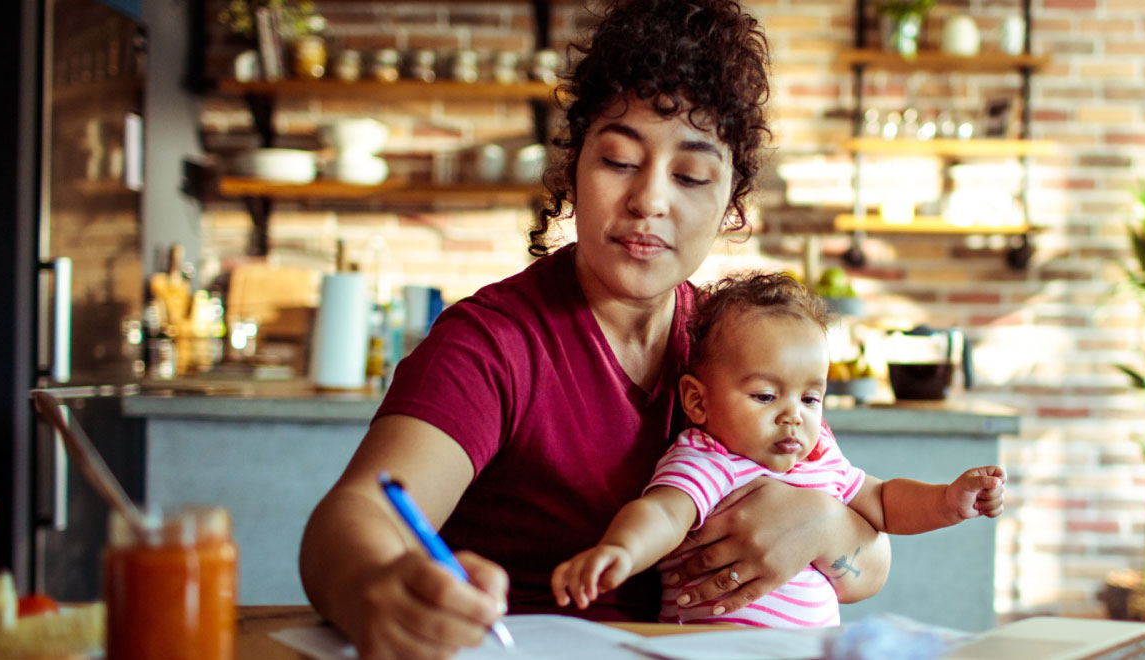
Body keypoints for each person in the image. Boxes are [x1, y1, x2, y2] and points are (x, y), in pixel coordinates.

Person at [297, 0, 892, 657]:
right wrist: (376, 588)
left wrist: (819, 526)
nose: (650, 200)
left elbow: (872, 561)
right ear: (574, 167)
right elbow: (352, 522)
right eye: (617, 161)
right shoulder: (494, 343)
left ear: (730, 204)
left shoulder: (741, 342)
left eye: (692, 175)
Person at [550, 273, 1006, 627]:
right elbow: (664, 514)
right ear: (698, 401)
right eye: (766, 396)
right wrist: (621, 551)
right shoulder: (709, 457)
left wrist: (947, 500)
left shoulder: (819, 456)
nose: (794, 416)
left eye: (810, 398)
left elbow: (885, 502)